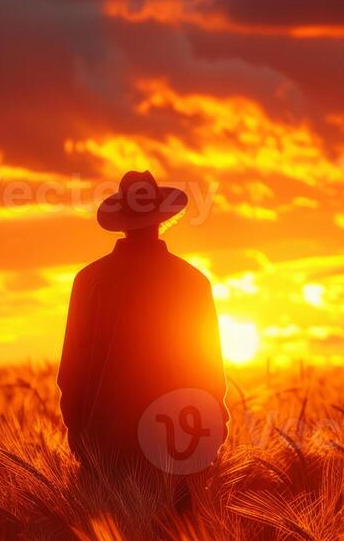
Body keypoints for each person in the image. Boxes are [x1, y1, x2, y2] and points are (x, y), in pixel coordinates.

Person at [58, 170, 229, 477]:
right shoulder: (191, 281)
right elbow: (209, 372)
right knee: (174, 526)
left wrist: (79, 435)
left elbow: (71, 373)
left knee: (106, 526)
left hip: (105, 445)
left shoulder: (89, 280)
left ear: (121, 222)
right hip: (179, 441)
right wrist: (212, 434)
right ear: (161, 219)